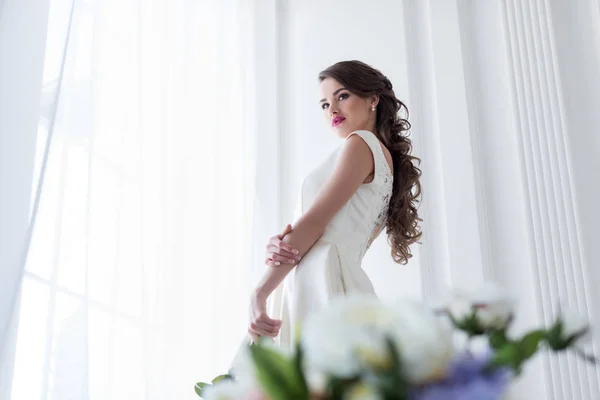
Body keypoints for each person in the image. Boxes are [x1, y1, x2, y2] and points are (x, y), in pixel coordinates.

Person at [247, 60, 423, 351]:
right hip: (329, 280)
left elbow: (315, 224)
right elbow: (329, 229)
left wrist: (259, 292)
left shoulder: (360, 143)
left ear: (372, 99)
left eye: (342, 96)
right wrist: (281, 243)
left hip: (320, 283)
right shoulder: (380, 156)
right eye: (324, 104)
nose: (332, 109)